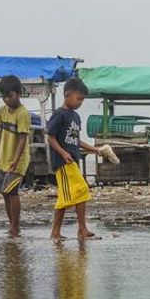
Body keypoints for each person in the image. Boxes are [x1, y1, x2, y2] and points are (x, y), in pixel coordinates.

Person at [46, 77, 101, 240]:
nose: (80, 103)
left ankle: (62, 232)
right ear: (67, 95)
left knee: (71, 196)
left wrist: (94, 149)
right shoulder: (59, 115)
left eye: (82, 100)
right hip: (62, 163)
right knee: (78, 191)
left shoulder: (75, 117)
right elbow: (50, 137)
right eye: (78, 99)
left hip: (72, 163)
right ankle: (76, 229)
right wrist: (63, 152)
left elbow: (77, 140)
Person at [0, 75, 31, 237]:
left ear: (18, 93)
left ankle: (15, 226)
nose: (7, 100)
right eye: (4, 97)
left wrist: (15, 160)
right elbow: (0, 133)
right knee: (4, 192)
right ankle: (12, 224)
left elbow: (23, 138)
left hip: (18, 160)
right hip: (3, 158)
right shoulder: (2, 111)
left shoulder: (23, 114)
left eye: (10, 96)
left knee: (12, 192)